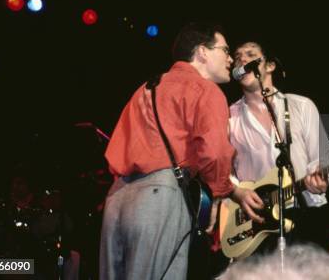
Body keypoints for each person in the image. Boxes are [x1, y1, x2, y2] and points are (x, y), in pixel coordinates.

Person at [99, 23, 259, 280]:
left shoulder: (146, 88)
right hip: (159, 198)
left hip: (117, 198)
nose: (230, 58)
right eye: (225, 50)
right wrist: (223, 191)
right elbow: (216, 153)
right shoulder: (206, 90)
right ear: (202, 52)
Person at [228, 41, 329, 250]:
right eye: (238, 57)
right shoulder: (228, 117)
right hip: (255, 223)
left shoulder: (301, 106)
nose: (243, 60)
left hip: (302, 214)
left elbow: (320, 159)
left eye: (250, 54)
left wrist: (321, 179)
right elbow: (223, 171)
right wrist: (237, 195)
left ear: (270, 66)